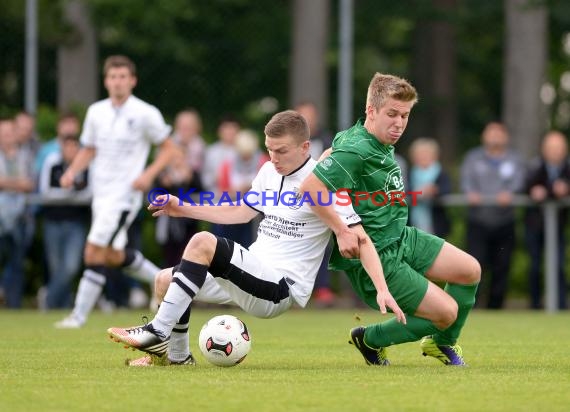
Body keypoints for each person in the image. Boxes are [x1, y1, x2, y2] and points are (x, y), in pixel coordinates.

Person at [107, 110, 405, 366]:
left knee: (202, 243)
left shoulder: (325, 183)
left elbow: (360, 237)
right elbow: (240, 212)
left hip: (280, 288)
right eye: (270, 150)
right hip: (251, 275)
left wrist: (381, 288)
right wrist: (181, 207)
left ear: (305, 147)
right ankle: (177, 356)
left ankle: (158, 331)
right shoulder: (267, 171)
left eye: (282, 151)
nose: (273, 158)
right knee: (164, 281)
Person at [301, 73, 481, 366]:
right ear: (371, 111)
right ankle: (369, 338)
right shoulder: (357, 149)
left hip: (401, 237)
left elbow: (332, 152)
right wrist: (341, 230)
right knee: (446, 313)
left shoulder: (370, 138)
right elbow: (310, 188)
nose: (399, 123)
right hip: (378, 255)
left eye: (405, 115)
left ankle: (441, 343)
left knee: (470, 270)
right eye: (392, 114)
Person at [54, 55, 177, 328]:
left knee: (93, 251)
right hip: (101, 195)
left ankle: (78, 316)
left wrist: (147, 174)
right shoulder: (97, 111)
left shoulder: (145, 113)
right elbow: (89, 149)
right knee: (111, 255)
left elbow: (169, 148)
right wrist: (72, 172)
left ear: (132, 81)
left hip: (123, 197)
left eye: (123, 77)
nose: (118, 82)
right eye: (113, 77)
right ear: (106, 80)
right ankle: (165, 278)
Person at [461, 122, 524, 309]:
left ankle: (496, 307)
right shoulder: (473, 158)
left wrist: (510, 193)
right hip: (478, 221)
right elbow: (466, 182)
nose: (495, 136)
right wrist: (470, 193)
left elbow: (519, 182)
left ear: (506, 137)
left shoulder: (514, 159)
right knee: (475, 265)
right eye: (491, 132)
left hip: (505, 221)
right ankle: (472, 308)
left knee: (502, 266)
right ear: (484, 136)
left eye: (499, 133)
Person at [38, 131, 90, 309]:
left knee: (70, 266)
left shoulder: (86, 165)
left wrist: (66, 195)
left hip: (76, 222)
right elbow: (45, 193)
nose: (70, 151)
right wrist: (71, 195)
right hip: (53, 221)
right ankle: (62, 306)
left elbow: (89, 194)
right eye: (67, 147)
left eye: (74, 147)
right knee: (56, 268)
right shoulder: (53, 162)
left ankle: (48, 299)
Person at [294, 101, 336, 306]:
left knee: (323, 243)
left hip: (319, 196)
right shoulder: (289, 140)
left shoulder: (326, 140)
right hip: (294, 197)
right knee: (295, 241)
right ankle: (292, 286)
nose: (308, 120)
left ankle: (322, 288)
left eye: (311, 115)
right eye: (304, 116)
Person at [524, 131, 570, 310]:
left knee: (558, 265)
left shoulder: (567, 167)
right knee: (535, 266)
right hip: (535, 225)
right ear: (544, 150)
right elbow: (526, 185)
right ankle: (535, 305)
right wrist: (549, 191)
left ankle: (561, 305)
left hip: (558, 226)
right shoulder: (535, 166)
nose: (555, 152)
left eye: (558, 148)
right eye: (551, 148)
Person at [0, 117, 35, 308]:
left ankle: (14, 304)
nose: (6, 137)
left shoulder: (26, 156)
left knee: (17, 262)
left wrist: (6, 183)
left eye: (9, 133)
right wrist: (17, 183)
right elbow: (22, 183)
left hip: (22, 218)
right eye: (3, 133)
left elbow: (31, 184)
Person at [408, 137, 451, 237]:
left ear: (434, 156)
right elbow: (405, 191)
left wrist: (434, 190)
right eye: (420, 154)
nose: (423, 157)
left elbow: (447, 190)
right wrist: (418, 192)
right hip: (414, 223)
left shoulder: (441, 172)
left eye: (426, 154)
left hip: (436, 222)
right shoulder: (410, 173)